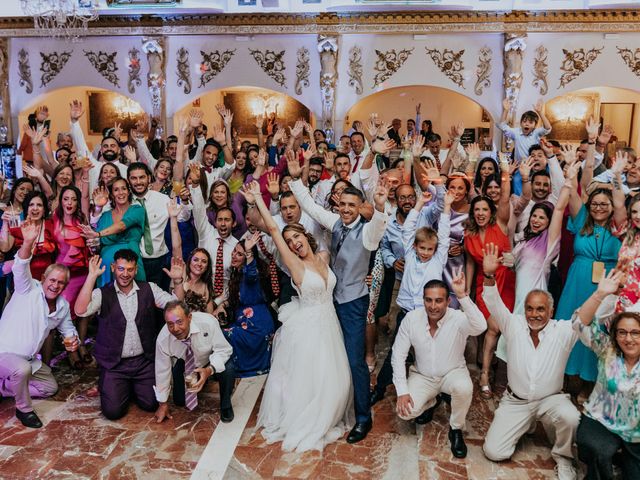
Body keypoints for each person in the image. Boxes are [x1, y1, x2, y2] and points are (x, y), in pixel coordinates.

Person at [242, 181, 353, 452]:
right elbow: (272, 229)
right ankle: (307, 419)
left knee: (334, 378)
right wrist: (257, 198)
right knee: (312, 378)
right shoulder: (295, 265)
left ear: (305, 235)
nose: (293, 243)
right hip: (308, 328)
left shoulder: (323, 257)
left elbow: (325, 219)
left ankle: (329, 413)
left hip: (330, 325)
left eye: (296, 237)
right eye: (289, 242)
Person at [288, 156, 389, 444]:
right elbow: (309, 206)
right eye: (342, 205)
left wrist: (380, 207)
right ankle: (330, 407)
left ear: (360, 208)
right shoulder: (336, 223)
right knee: (329, 357)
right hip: (329, 301)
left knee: (355, 361)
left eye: (351, 206)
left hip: (353, 303)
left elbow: (376, 231)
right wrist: (296, 180)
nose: (345, 209)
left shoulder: (366, 232)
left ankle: (362, 419)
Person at [481, 243, 580, 480]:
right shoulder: (513, 325)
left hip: (550, 399)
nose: (534, 314)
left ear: (551, 311)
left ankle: (564, 458)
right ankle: (526, 424)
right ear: (523, 310)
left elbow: (583, 318)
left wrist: (601, 294)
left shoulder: (562, 331)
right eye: (529, 309)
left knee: (571, 417)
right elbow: (494, 304)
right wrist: (489, 275)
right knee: (494, 452)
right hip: (516, 401)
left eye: (540, 310)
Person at [74, 250, 184, 420]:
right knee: (113, 412)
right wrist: (91, 277)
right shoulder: (103, 293)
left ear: (136, 269)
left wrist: (177, 282)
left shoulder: (149, 288)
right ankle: (113, 385)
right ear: (113, 268)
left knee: (151, 404)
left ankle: (131, 387)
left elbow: (176, 306)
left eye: (130, 269)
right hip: (114, 364)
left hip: (143, 362)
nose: (125, 274)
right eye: (121, 269)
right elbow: (80, 311)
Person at [393, 272, 486, 458]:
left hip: (452, 373)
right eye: (428, 300)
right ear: (423, 300)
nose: (433, 306)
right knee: (405, 412)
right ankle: (432, 401)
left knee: (464, 388)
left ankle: (456, 429)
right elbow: (398, 355)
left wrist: (463, 296)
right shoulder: (411, 319)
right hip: (423, 376)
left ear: (448, 301)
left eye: (438, 300)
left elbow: (481, 326)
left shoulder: (459, 318)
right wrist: (402, 391)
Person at [0, 220, 79, 428]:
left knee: (49, 387)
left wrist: (73, 341)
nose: (55, 285)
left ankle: (3, 388)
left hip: (27, 361)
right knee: (21, 369)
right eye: (52, 280)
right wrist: (27, 242)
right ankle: (24, 409)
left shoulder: (62, 306)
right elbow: (20, 266)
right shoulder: (28, 289)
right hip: (3, 354)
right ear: (43, 278)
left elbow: (69, 330)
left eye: (61, 282)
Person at [572, 270, 640, 480]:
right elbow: (580, 323)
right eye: (622, 332)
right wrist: (602, 295)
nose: (628, 339)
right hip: (601, 422)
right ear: (615, 335)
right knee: (597, 452)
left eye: (635, 333)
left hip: (636, 434)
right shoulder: (607, 349)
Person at [154, 301, 235, 423]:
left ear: (189, 317)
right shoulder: (163, 339)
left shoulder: (208, 322)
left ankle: (226, 405)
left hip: (210, 359)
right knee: (180, 401)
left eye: (179, 322)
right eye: (170, 324)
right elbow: (162, 370)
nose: (175, 329)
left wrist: (209, 370)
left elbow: (224, 350)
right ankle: (199, 379)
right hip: (186, 362)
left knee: (228, 368)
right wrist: (162, 403)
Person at [222, 233, 276, 377]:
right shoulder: (237, 274)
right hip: (244, 322)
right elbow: (236, 298)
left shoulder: (250, 273)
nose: (234, 255)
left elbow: (251, 273)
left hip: (257, 327)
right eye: (234, 251)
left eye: (239, 254)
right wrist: (222, 305)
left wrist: (249, 253)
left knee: (223, 334)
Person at [82, 178, 146, 287]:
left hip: (130, 262)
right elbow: (98, 245)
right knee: (107, 300)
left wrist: (98, 234)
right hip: (106, 265)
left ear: (128, 191)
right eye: (116, 190)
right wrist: (93, 244)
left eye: (123, 189)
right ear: (112, 194)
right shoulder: (105, 216)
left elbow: (121, 226)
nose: (120, 193)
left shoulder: (137, 210)